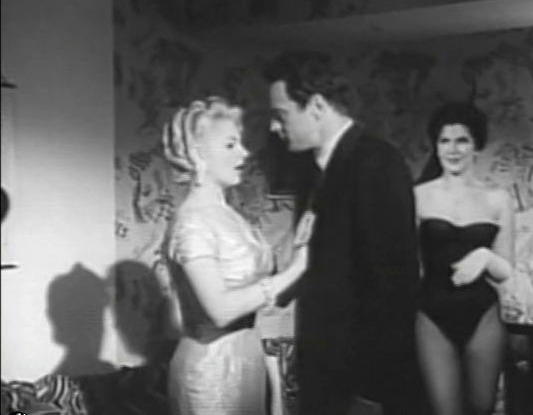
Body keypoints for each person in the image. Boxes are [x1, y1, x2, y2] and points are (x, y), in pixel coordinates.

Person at [263, 51, 421, 415]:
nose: (273, 127)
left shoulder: (377, 162)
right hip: (324, 370)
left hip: (361, 378)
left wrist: (372, 389)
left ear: (317, 106)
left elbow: (395, 283)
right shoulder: (311, 172)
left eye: (281, 114)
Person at [162, 97, 309, 415]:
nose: (243, 153)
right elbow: (221, 311)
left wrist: (305, 252)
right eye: (230, 145)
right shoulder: (192, 222)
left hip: (248, 360)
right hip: (210, 372)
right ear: (198, 152)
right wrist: (297, 269)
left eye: (240, 143)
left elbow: (266, 296)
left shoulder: (230, 216)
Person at [414, 101, 514, 415]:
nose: (453, 149)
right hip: (431, 314)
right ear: (436, 145)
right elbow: (404, 264)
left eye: (462, 140)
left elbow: (506, 270)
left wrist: (484, 257)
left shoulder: (498, 199)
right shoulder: (418, 196)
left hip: (482, 314)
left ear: (476, 145)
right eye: (445, 140)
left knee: (482, 409)